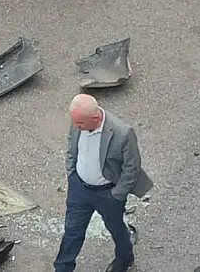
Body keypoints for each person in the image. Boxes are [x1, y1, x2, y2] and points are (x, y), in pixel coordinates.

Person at [54, 94, 154, 272]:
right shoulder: (79, 120)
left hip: (107, 193)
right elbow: (72, 147)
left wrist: (117, 195)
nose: (76, 126)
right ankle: (62, 268)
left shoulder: (122, 133)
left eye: (80, 123)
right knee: (72, 232)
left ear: (95, 118)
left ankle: (124, 259)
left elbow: (132, 168)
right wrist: (72, 175)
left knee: (116, 229)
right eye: (75, 122)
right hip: (79, 189)